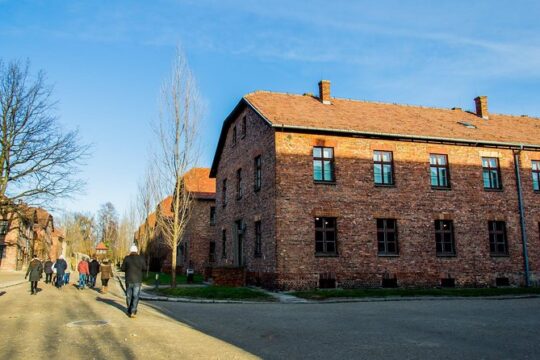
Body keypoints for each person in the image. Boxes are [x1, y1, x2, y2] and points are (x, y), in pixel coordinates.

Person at [121, 245, 146, 318]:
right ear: (137, 251)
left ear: (130, 251)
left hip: (128, 280)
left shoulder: (127, 258)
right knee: (136, 296)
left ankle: (129, 310)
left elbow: (122, 268)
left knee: (129, 296)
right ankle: (133, 311)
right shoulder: (141, 258)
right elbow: (144, 268)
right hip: (137, 280)